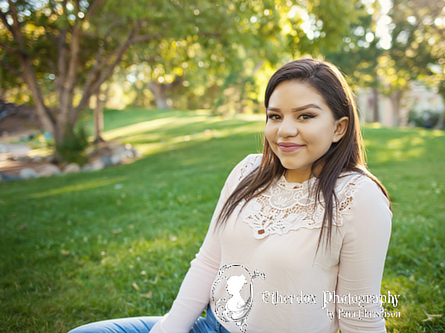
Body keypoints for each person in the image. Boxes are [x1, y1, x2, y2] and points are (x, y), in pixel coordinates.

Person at [69, 59, 392, 333]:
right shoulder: (247, 171)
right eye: (275, 116)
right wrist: (171, 328)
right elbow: (210, 260)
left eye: (305, 116)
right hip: (212, 325)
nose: (285, 130)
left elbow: (359, 313)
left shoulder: (358, 198)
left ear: (339, 127)